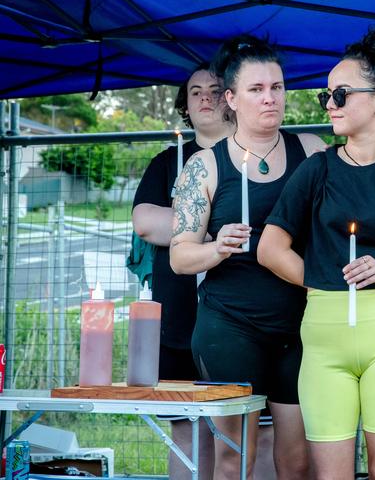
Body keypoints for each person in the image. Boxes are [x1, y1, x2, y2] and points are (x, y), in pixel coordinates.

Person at [258, 25, 375, 480]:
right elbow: (269, 248)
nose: (330, 105)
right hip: (323, 336)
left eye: (340, 94)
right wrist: (321, 278)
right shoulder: (316, 170)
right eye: (326, 96)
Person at [169, 34, 326, 480]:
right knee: (234, 457)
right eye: (257, 90)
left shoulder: (311, 150)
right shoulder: (205, 165)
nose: (270, 98)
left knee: (296, 461)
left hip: (299, 323)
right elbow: (180, 258)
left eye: (277, 87)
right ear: (232, 99)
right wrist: (217, 248)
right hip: (229, 325)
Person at [132, 63, 233, 480]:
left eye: (214, 89)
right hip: (178, 316)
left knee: (243, 430)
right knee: (187, 428)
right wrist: (209, 218)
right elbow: (145, 222)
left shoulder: (250, 157)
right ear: (185, 107)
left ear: (230, 98)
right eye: (195, 92)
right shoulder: (166, 162)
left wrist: (187, 220)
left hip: (239, 315)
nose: (205, 97)